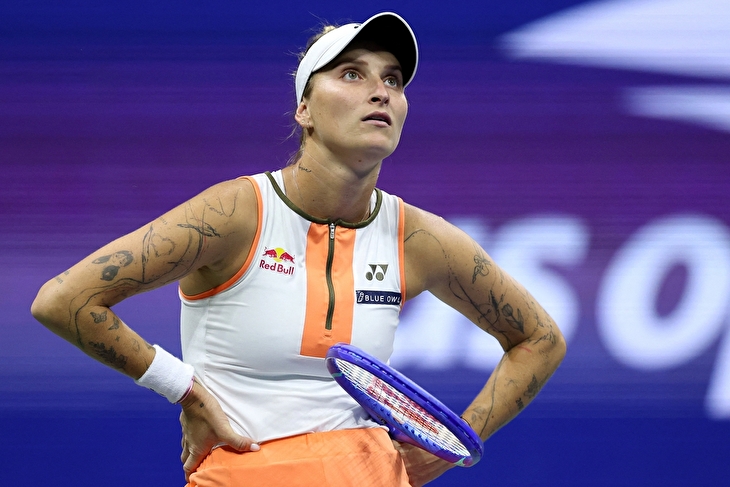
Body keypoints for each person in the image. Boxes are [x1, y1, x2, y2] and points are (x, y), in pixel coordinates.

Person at [31, 11, 566, 487]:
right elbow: (64, 300)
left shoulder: (417, 238)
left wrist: (447, 446)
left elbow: (540, 340)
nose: (380, 92)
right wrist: (185, 391)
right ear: (304, 110)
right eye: (352, 74)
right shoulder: (235, 213)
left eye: (393, 79)